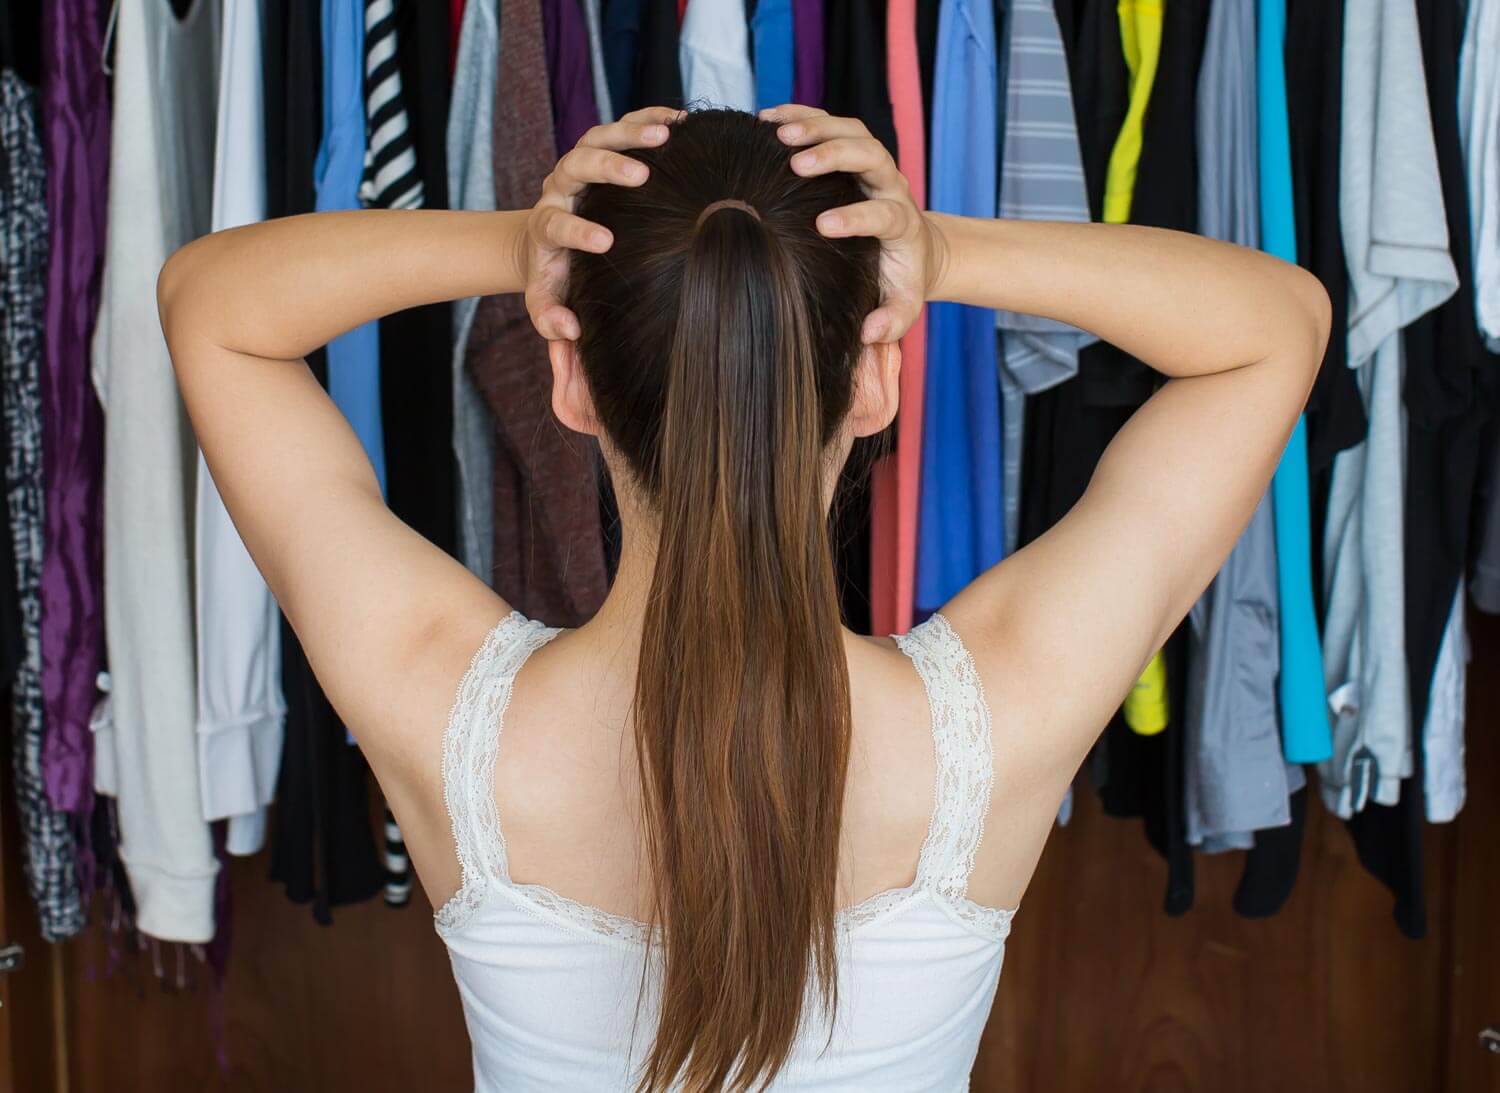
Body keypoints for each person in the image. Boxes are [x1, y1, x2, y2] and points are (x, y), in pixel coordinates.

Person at [158, 106, 1330, 1092]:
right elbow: (1278, 325)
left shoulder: (445, 708)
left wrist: (525, 241)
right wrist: (940, 251)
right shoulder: (998, 721)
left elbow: (210, 306)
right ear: (875, 378)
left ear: (568, 376)